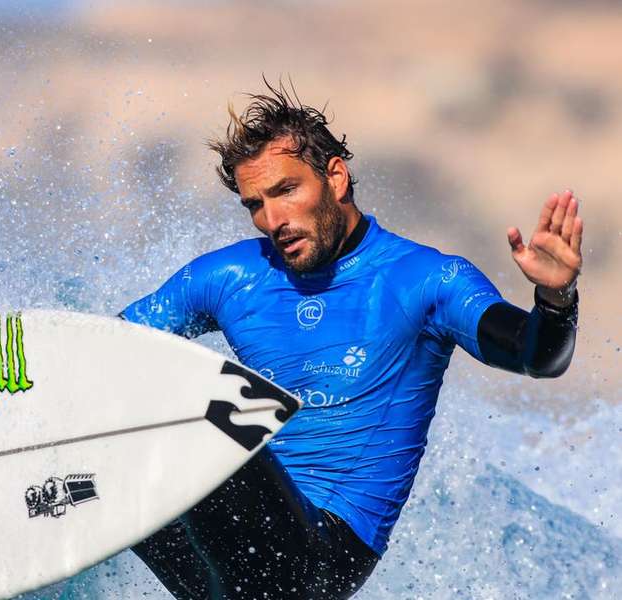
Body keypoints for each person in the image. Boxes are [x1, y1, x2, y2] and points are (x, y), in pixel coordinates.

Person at [119, 83, 581, 599]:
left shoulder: (426, 281)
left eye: (286, 190)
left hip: (324, 558)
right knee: (129, 404)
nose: (273, 221)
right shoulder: (228, 276)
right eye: (256, 204)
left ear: (334, 177)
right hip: (230, 552)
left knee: (206, 417)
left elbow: (536, 356)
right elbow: (108, 347)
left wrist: (556, 297)